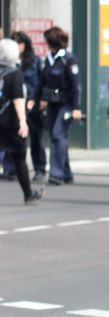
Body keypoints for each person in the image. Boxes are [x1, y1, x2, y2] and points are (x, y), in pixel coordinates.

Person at [0, 38, 42, 204]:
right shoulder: (15, 73)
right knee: (19, 157)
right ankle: (28, 193)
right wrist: (23, 121)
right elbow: (18, 99)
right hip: (9, 122)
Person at [39, 26, 80, 185]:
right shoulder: (49, 59)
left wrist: (76, 107)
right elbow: (42, 82)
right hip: (52, 103)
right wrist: (36, 99)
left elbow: (76, 85)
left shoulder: (68, 59)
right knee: (58, 137)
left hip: (66, 104)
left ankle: (56, 173)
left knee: (58, 135)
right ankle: (67, 172)